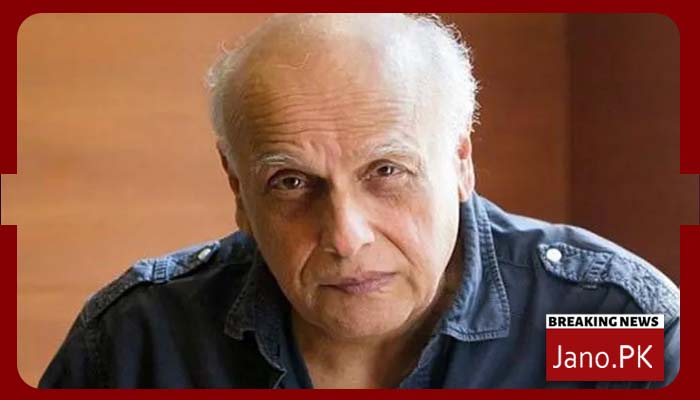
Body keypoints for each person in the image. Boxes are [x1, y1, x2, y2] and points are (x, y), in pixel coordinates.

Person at [39, 13, 680, 389]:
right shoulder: (140, 345)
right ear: (238, 189)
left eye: (386, 171)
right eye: (292, 182)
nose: (346, 236)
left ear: (461, 162)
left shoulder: (601, 320)